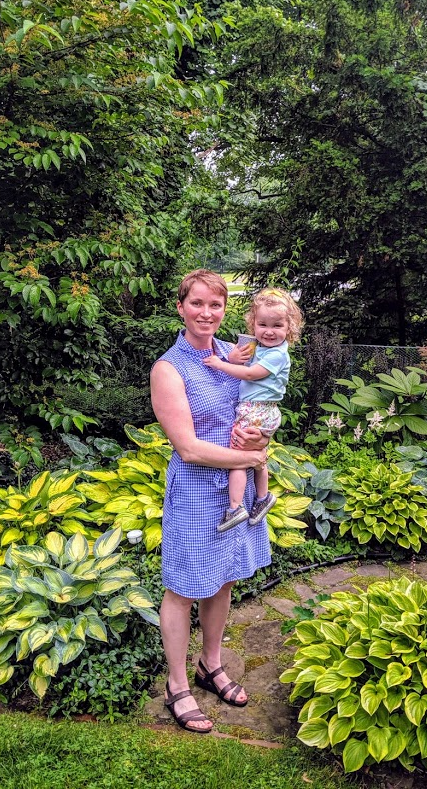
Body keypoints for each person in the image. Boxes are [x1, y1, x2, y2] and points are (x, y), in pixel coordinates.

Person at [150, 269, 272, 733]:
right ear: (181, 307)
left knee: (222, 580)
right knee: (182, 590)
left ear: (225, 310)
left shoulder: (233, 353)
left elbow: (256, 403)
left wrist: (259, 432)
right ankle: (177, 684)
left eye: (215, 305)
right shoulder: (169, 369)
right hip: (198, 490)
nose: (206, 313)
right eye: (196, 303)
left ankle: (210, 664)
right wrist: (255, 456)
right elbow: (189, 447)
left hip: (234, 488)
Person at [203, 288, 303, 532]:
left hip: (256, 410)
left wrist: (220, 364)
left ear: (289, 328)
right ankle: (262, 498)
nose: (269, 331)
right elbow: (246, 361)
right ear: (253, 324)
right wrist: (237, 356)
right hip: (262, 410)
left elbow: (250, 374)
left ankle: (235, 508)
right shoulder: (264, 348)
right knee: (258, 457)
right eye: (262, 324)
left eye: (277, 326)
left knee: (238, 459)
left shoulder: (278, 355)